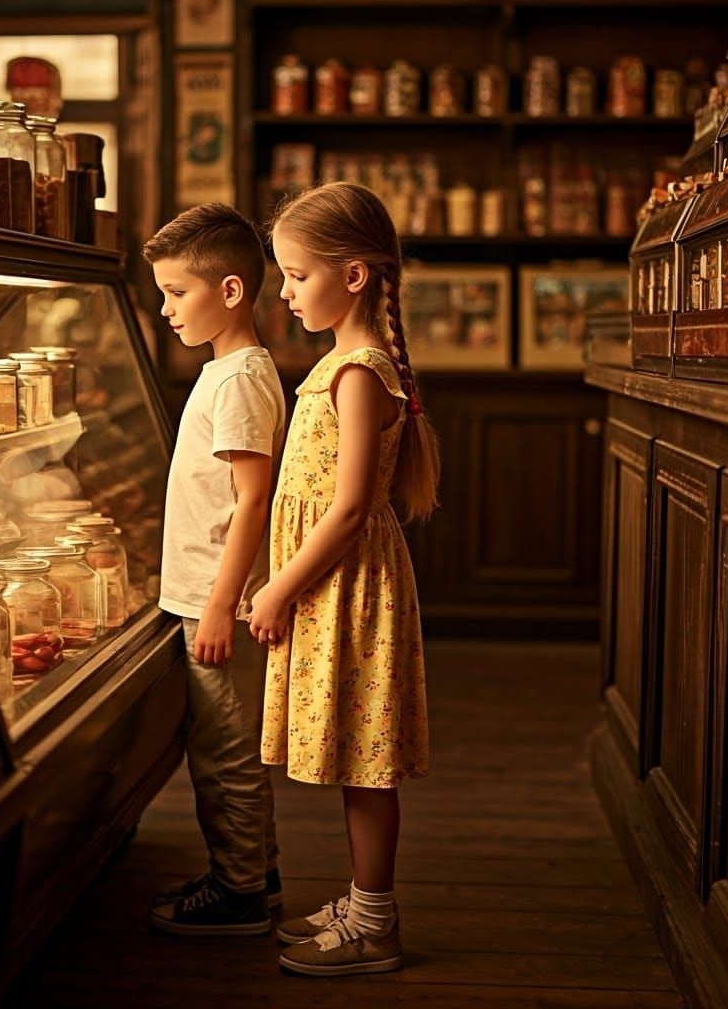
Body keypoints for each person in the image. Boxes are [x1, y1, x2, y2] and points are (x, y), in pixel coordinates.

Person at [248, 182, 440, 975]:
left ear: (353, 276)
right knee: (351, 756)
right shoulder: (344, 362)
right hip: (334, 583)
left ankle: (375, 924)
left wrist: (276, 586)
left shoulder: (358, 371)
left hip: (345, 587)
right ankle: (362, 902)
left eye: (296, 275)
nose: (285, 292)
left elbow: (353, 505)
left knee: (364, 763)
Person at [142, 203, 286, 936]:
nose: (165, 309)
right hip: (204, 593)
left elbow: (253, 500)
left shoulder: (238, 380)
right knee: (225, 751)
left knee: (227, 756)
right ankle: (252, 872)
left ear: (230, 292)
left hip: (214, 599)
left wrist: (224, 603)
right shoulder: (228, 369)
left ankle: (239, 897)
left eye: (176, 293)